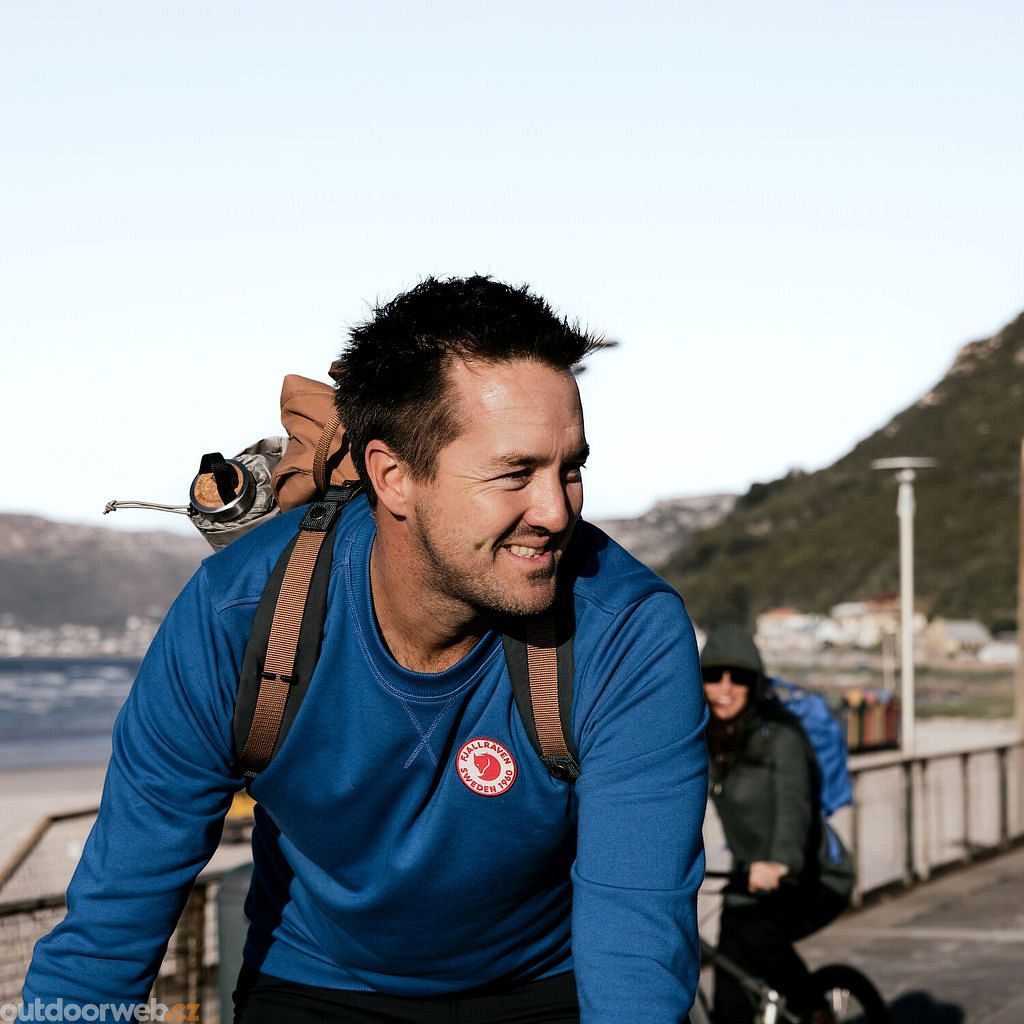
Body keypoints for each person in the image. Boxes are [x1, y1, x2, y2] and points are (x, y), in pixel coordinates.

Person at [21, 276, 708, 1024]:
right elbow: (111, 925)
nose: (555, 511)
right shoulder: (240, 617)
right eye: (515, 473)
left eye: (570, 468)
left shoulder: (626, 629)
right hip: (313, 981)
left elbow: (637, 945)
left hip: (542, 986)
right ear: (393, 477)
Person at [701, 624, 847, 1024]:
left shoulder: (781, 737)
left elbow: (794, 808)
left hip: (811, 877)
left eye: (739, 676)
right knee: (729, 993)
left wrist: (780, 862)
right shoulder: (707, 741)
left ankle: (816, 1012)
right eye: (713, 676)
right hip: (747, 882)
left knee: (757, 933)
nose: (725, 687)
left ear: (755, 682)